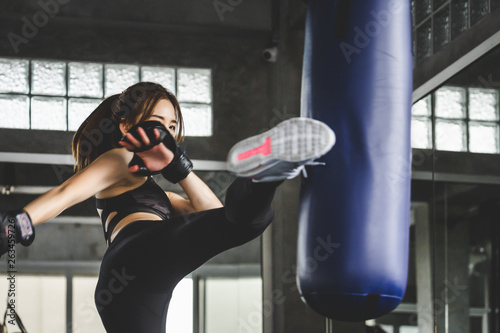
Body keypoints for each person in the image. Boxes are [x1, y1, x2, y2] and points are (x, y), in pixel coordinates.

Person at [0, 82, 335, 332]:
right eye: (157, 121)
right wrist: (21, 223)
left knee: (242, 222)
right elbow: (66, 193)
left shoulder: (159, 195)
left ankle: (266, 173)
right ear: (126, 126)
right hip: (133, 257)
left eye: (172, 126)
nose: (166, 131)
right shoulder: (120, 158)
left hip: (137, 283)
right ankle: (264, 176)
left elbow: (214, 216)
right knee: (244, 223)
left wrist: (179, 170)